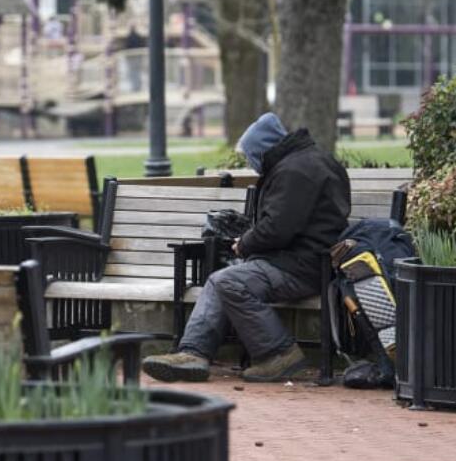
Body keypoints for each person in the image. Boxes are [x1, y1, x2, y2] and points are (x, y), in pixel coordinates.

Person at [142, 112, 351, 383]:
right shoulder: (308, 162)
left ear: (263, 150)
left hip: (303, 266)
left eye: (252, 156)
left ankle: (279, 354)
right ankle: (193, 353)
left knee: (230, 282)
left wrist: (245, 244)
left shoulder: (295, 171)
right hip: (303, 260)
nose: (251, 164)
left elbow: (276, 229)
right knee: (220, 280)